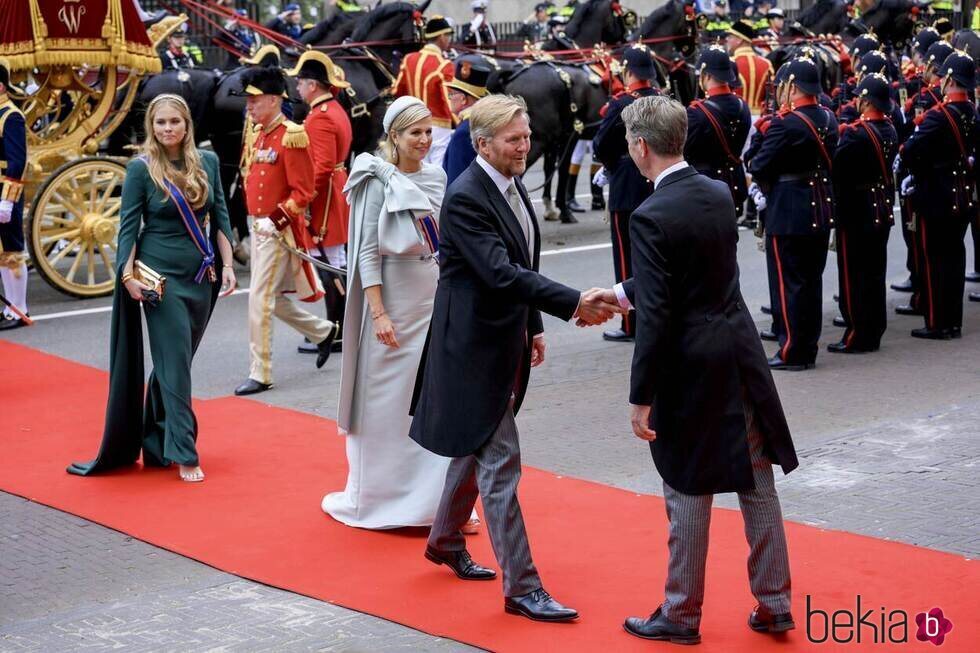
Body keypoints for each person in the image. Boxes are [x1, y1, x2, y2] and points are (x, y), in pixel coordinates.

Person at [409, 94, 622, 623]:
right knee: (501, 463)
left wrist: (532, 326)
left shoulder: (510, 184)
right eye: (513, 139)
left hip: (502, 338)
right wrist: (574, 302)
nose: (524, 146)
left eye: (526, 137)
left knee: (476, 442)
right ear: (482, 144)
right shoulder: (466, 196)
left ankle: (443, 539)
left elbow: (521, 262)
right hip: (470, 349)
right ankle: (523, 588)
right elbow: (501, 273)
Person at [603, 94, 797, 645]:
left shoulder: (650, 214)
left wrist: (640, 395)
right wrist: (619, 293)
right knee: (757, 484)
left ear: (641, 147)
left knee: (688, 487)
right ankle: (775, 603)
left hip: (690, 366)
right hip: (737, 354)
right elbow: (698, 273)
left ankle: (681, 613)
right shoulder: (715, 192)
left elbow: (661, 311)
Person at [325, 96, 480, 531]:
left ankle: (436, 505)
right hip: (390, 298)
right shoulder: (374, 179)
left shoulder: (437, 175)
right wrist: (378, 313)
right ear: (394, 136)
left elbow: (446, 242)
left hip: (430, 295)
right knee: (385, 403)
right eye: (415, 133)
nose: (425, 140)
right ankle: (377, 500)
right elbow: (367, 253)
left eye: (429, 132)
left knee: (432, 402)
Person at [68, 95, 237, 482]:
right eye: (160, 123)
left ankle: (157, 443)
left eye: (174, 121)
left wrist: (227, 265)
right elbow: (128, 228)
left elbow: (220, 218)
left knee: (173, 360)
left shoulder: (207, 162)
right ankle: (184, 451)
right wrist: (126, 277)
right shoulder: (140, 170)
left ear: (186, 124)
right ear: (152, 127)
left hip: (201, 277)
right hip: (158, 279)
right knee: (175, 363)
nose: (167, 129)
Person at [232, 67, 340, 396]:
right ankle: (323, 332)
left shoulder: (292, 134)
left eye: (255, 100)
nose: (249, 107)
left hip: (276, 230)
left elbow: (303, 192)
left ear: (275, 100)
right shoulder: (262, 133)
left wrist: (275, 220)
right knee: (274, 301)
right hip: (260, 226)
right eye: (248, 101)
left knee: (259, 298)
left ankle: (261, 371)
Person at [748, 57, 838, 370]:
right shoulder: (829, 117)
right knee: (811, 282)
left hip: (788, 210)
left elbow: (757, 164)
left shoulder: (786, 123)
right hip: (819, 207)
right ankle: (807, 346)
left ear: (793, 87)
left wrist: (761, 134)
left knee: (788, 284)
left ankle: (792, 351)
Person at [897, 51, 978, 339]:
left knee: (935, 259)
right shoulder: (972, 111)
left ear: (950, 81)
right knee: (955, 257)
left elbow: (910, 151)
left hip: (936, 194)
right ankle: (952, 320)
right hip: (961, 192)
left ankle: (937, 321)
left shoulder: (938, 117)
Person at [288, 51, 353, 357]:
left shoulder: (320, 117)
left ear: (313, 85)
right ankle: (338, 326)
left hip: (325, 197)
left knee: (327, 263)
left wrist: (304, 199)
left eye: (300, 83)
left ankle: (336, 329)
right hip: (333, 190)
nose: (297, 88)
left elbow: (321, 166)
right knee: (334, 262)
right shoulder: (332, 109)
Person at [593, 45, 659, 342]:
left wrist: (610, 165)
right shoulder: (663, 101)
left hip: (627, 184)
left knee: (626, 258)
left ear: (629, 72)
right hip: (657, 183)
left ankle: (631, 324)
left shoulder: (622, 104)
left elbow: (601, 143)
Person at [829, 74, 897, 354]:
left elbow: (837, 170)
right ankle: (874, 329)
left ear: (866, 101)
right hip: (879, 206)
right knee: (874, 272)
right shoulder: (889, 129)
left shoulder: (856, 134)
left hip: (855, 210)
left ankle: (857, 333)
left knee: (854, 274)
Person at [686, 46, 752, 216]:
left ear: (706, 75)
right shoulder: (742, 106)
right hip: (734, 185)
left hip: (703, 188)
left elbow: (683, 151)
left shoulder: (696, 113)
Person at [392, 17, 456, 168]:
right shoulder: (444, 65)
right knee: (439, 172)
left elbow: (397, 91)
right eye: (448, 36)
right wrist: (461, 122)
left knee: (418, 172)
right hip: (438, 127)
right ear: (441, 37)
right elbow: (449, 100)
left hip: (412, 126)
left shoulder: (408, 59)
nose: (449, 40)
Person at [0, 63, 28, 331]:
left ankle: (19, 309)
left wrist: (7, 199)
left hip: (6, 189)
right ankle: (9, 307)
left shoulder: (11, 116)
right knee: (1, 252)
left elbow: (17, 162)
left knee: (12, 250)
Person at [443, 55, 490, 185]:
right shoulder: (485, 123)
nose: (449, 97)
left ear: (463, 99)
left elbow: (456, 182)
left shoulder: (463, 132)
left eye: (452, 94)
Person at [727, 19, 772, 117]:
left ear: (739, 40)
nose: (727, 40)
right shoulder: (766, 63)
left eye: (730, 37)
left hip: (735, 117)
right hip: (760, 119)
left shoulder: (730, 62)